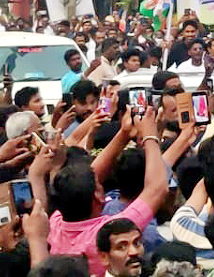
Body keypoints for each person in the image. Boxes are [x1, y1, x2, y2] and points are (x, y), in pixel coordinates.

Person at [33, 106, 167, 277]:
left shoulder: (54, 224)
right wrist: (150, 136)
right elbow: (157, 189)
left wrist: (124, 133)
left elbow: (85, 178)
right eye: (98, 184)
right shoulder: (107, 233)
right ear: (97, 195)